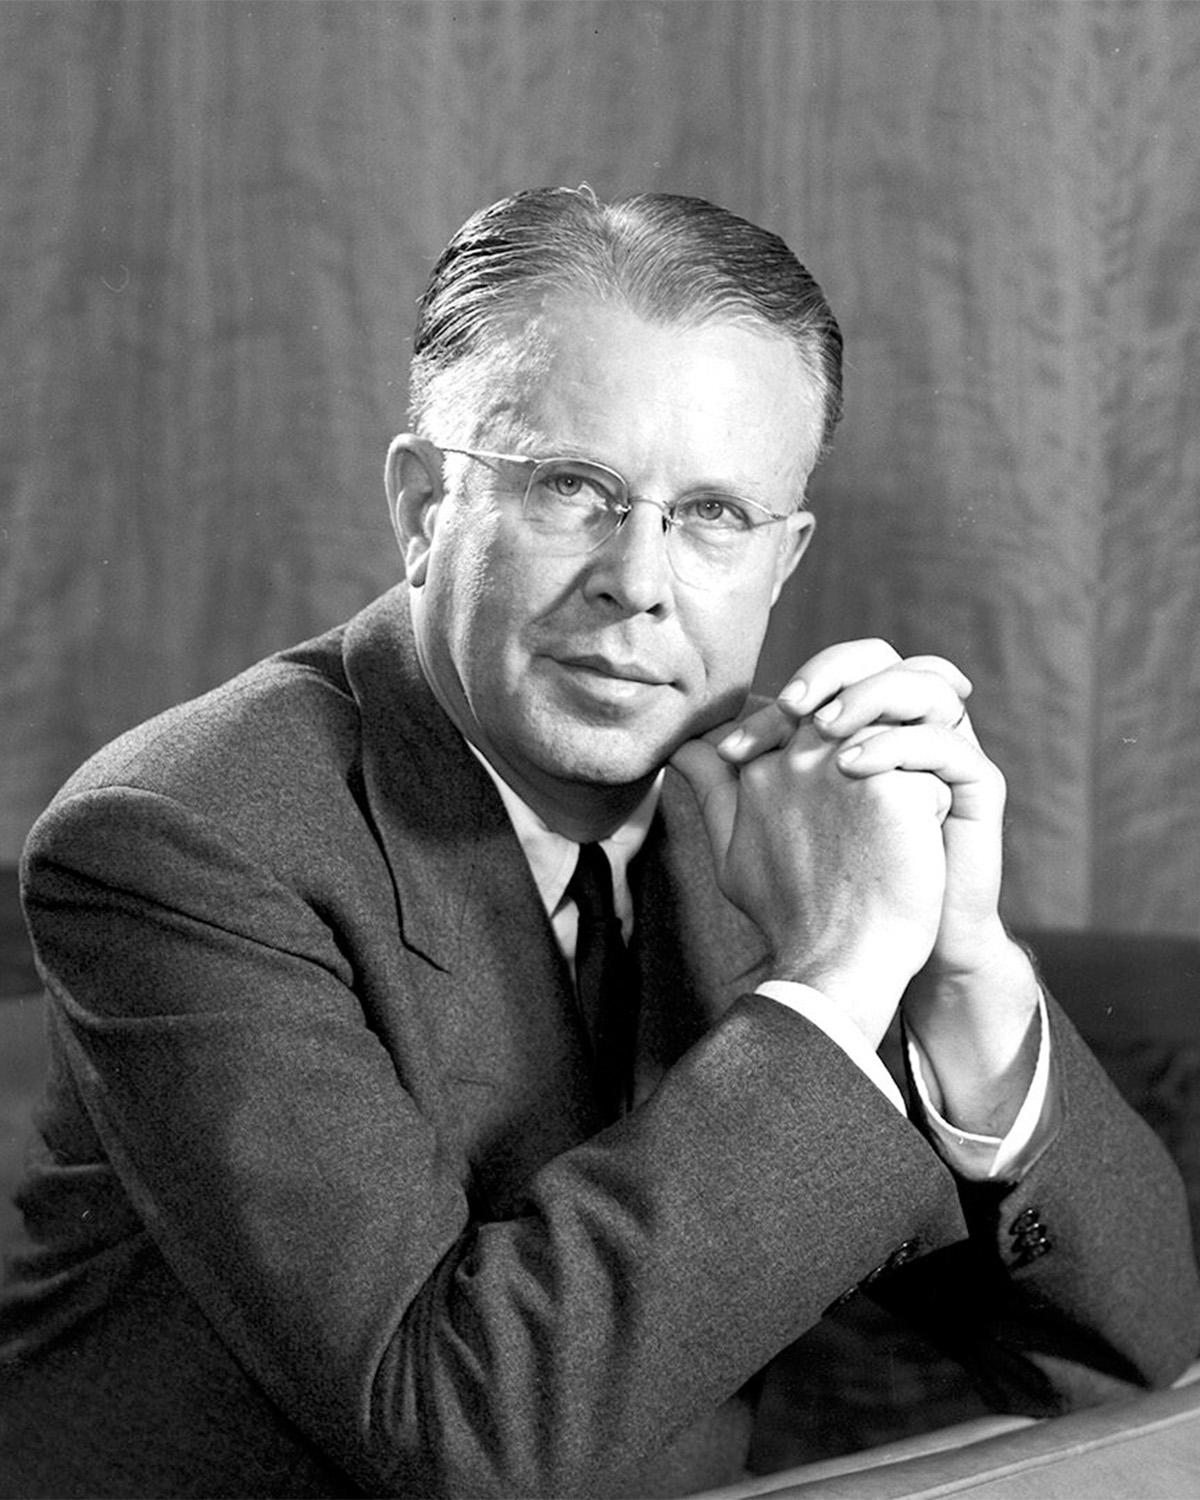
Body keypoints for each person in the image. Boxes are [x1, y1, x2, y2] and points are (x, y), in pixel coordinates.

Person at [0, 186, 1196, 1500]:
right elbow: (472, 1439)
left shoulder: (778, 824)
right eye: (574, 488)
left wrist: (962, 968)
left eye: (715, 514)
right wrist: (844, 975)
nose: (639, 580)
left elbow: (1140, 1363)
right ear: (422, 506)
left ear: (784, 559)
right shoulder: (184, 838)